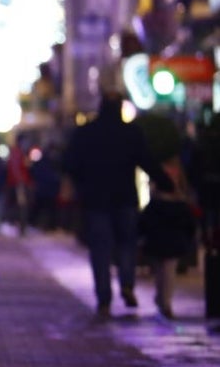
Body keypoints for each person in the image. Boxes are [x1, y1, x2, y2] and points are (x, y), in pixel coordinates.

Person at [61, 83, 175, 318]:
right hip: (125, 198)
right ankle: (126, 283)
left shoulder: (87, 132)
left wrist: (82, 184)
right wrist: (166, 182)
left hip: (96, 201)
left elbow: (69, 163)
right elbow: (147, 160)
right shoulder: (130, 133)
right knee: (127, 244)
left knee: (101, 250)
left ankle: (104, 300)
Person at [139, 158, 197, 319]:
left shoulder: (156, 204)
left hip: (159, 242)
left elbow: (144, 223)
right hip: (171, 242)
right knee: (166, 272)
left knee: (162, 272)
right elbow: (189, 224)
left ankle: (163, 301)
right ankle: (164, 301)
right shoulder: (180, 204)